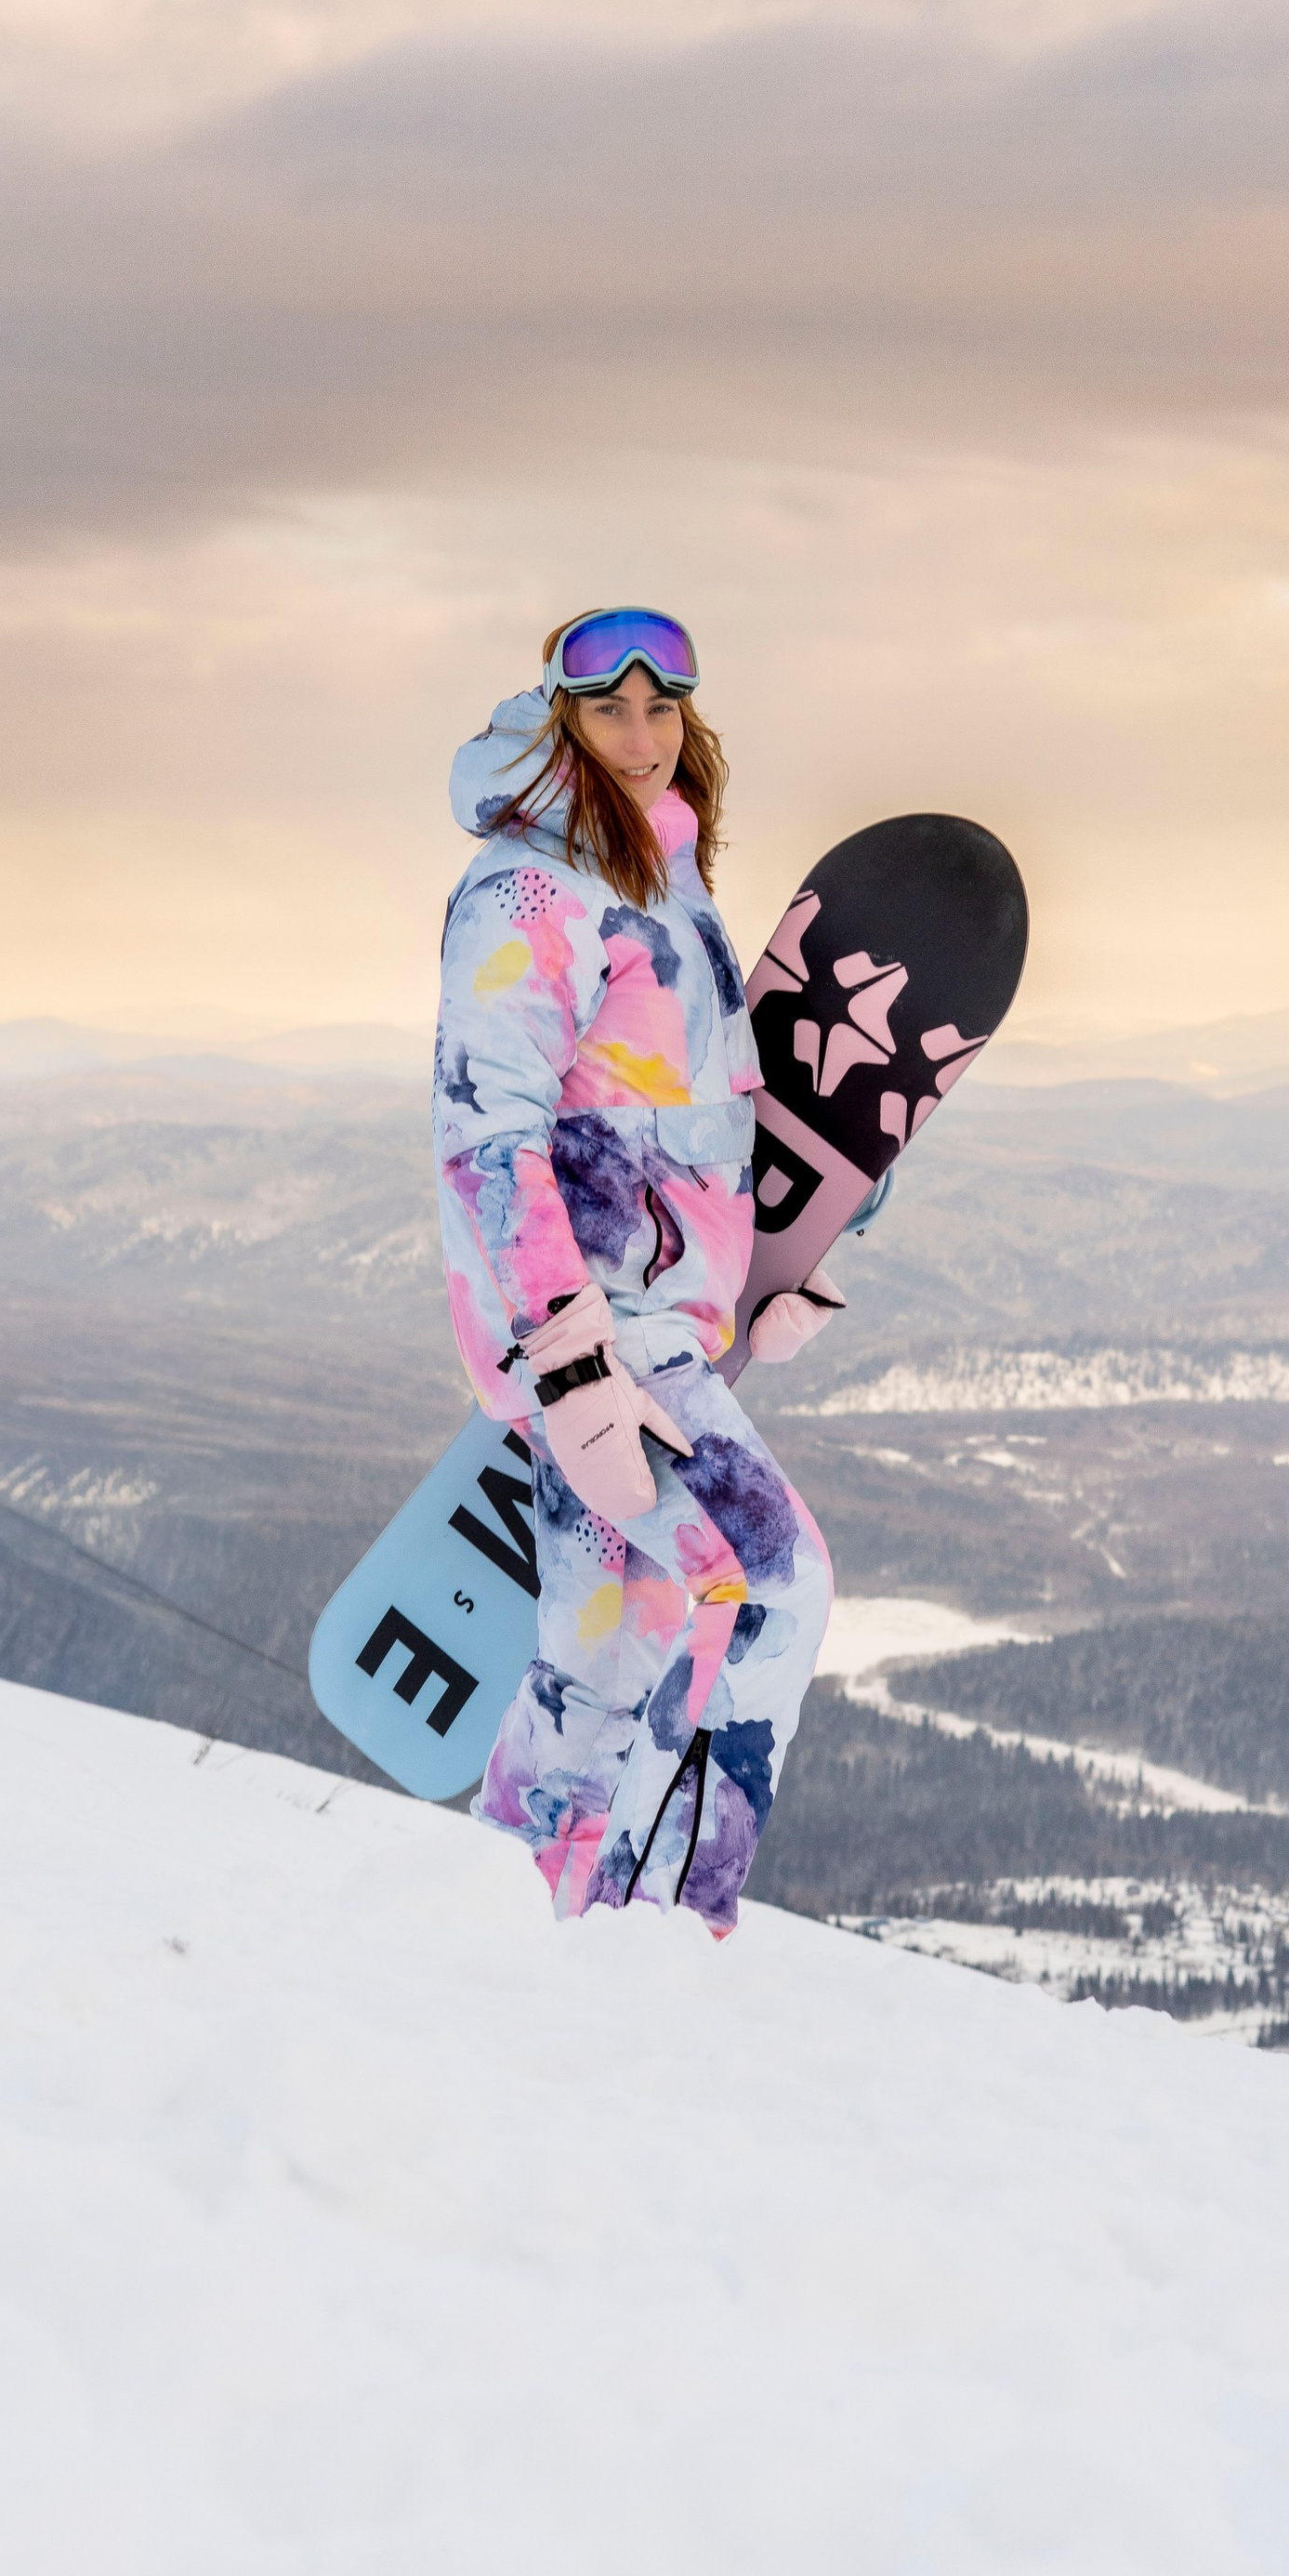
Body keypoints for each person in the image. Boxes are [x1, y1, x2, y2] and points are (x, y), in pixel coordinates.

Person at [434, 606, 860, 1933]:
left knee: (605, 1658)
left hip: (654, 1325)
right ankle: (666, 1940)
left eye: (661, 708)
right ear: (560, 720)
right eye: (608, 710)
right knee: (773, 1586)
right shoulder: (526, 893)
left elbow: (689, 1118)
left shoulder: (664, 879)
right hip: (598, 1339)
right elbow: (489, 1139)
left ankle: (498, 1930)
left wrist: (756, 1288)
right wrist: (574, 1371)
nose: (640, 735)